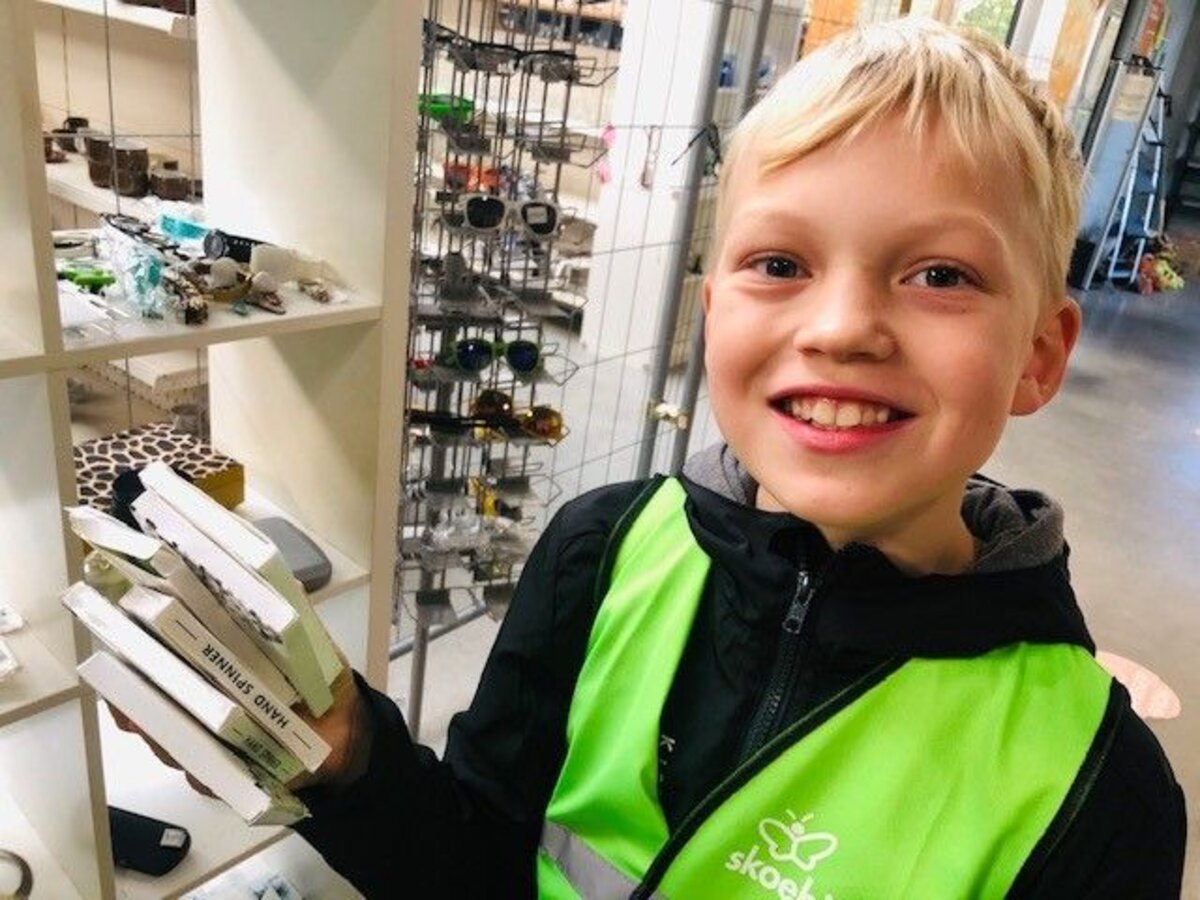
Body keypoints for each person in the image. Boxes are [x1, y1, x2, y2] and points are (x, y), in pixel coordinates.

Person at [289, 18, 1187, 897]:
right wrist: (350, 759)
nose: (841, 329)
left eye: (940, 276)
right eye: (781, 264)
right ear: (715, 311)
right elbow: (480, 859)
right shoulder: (600, 556)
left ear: (1038, 355)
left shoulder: (1097, 793)